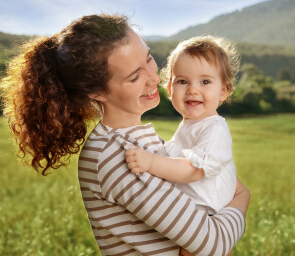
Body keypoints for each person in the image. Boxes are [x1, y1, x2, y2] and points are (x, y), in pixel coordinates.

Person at [0, 14, 250, 256]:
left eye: (149, 58)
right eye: (135, 76)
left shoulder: (138, 141)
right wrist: (241, 198)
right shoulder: (118, 155)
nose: (155, 78)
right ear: (98, 92)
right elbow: (213, 243)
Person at [125, 36, 239, 215]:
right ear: (170, 90)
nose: (193, 90)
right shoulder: (190, 126)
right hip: (190, 211)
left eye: (205, 82)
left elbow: (193, 171)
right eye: (182, 81)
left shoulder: (214, 130)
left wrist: (151, 162)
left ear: (223, 91)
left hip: (207, 214)